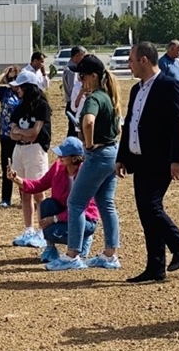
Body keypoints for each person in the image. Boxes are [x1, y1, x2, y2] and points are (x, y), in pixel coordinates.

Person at [115, 42, 179, 283]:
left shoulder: (169, 85)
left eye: (131, 60)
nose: (129, 65)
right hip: (140, 159)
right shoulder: (137, 90)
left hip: (162, 160)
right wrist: (122, 157)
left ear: (144, 60)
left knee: (152, 206)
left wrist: (178, 158)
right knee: (146, 213)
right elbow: (130, 125)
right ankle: (155, 267)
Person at [59, 54, 122, 270]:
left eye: (82, 76)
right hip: (112, 152)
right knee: (106, 203)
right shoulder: (108, 96)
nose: (79, 80)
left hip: (98, 155)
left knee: (75, 203)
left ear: (93, 76)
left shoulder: (94, 98)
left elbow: (88, 121)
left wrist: (88, 143)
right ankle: (110, 254)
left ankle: (72, 255)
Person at [7, 137, 99, 267]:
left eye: (63, 154)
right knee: (47, 205)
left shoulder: (85, 174)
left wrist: (55, 218)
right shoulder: (57, 167)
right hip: (64, 213)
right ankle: (51, 249)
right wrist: (17, 180)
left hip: (85, 219)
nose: (59, 156)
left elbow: (82, 208)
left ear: (74, 158)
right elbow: (40, 184)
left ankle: (82, 241)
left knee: (54, 231)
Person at [8, 68, 52, 249]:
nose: (16, 90)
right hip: (19, 150)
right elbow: (12, 134)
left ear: (28, 87)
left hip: (35, 151)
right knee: (23, 191)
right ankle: (28, 229)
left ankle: (42, 231)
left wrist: (21, 132)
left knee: (38, 191)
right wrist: (21, 134)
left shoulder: (42, 106)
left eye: (19, 87)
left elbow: (34, 134)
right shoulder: (18, 108)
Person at [0, 65, 21, 208]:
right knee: (6, 167)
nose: (13, 81)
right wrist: (3, 75)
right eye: (11, 78)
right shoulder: (5, 92)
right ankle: (6, 198)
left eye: (16, 78)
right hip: (6, 135)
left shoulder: (24, 93)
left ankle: (24, 195)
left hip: (20, 135)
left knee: (21, 167)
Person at [62, 45, 87, 136]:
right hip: (74, 103)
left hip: (74, 102)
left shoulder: (68, 66)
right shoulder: (72, 70)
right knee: (75, 131)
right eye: (83, 56)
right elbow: (74, 89)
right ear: (77, 55)